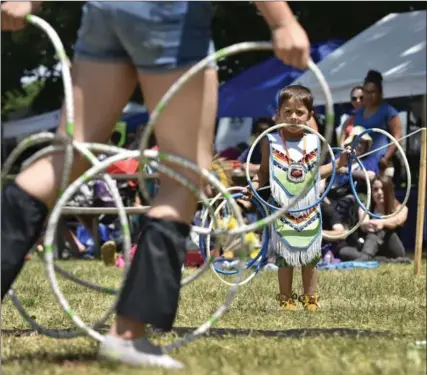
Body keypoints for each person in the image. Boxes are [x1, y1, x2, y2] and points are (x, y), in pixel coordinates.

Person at [1, 0, 312, 369]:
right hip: (170, 18)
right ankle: (128, 335)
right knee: (182, 175)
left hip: (106, 12)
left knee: (66, 159)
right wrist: (282, 21)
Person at [244, 85, 350, 312]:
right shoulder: (269, 142)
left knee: (310, 255)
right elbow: (263, 173)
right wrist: (253, 186)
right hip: (282, 207)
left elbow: (316, 173)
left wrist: (338, 165)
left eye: (299, 112)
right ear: (278, 114)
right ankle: (285, 298)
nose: (293, 117)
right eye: (287, 112)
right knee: (285, 255)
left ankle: (310, 297)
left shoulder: (313, 142)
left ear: (309, 116)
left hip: (309, 209)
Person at [338, 176, 407, 262]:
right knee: (344, 252)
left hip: (391, 249)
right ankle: (386, 260)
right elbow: (363, 224)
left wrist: (382, 223)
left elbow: (398, 220)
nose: (379, 192)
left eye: (383, 189)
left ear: (389, 191)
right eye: (375, 189)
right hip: (370, 247)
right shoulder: (365, 206)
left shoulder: (399, 207)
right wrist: (368, 225)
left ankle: (365, 258)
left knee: (380, 229)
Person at [353, 70, 403, 174]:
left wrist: (386, 158)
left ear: (379, 93)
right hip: (360, 164)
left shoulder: (388, 111)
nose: (369, 95)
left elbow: (398, 137)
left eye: (372, 92)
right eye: (366, 92)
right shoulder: (359, 113)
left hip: (381, 165)